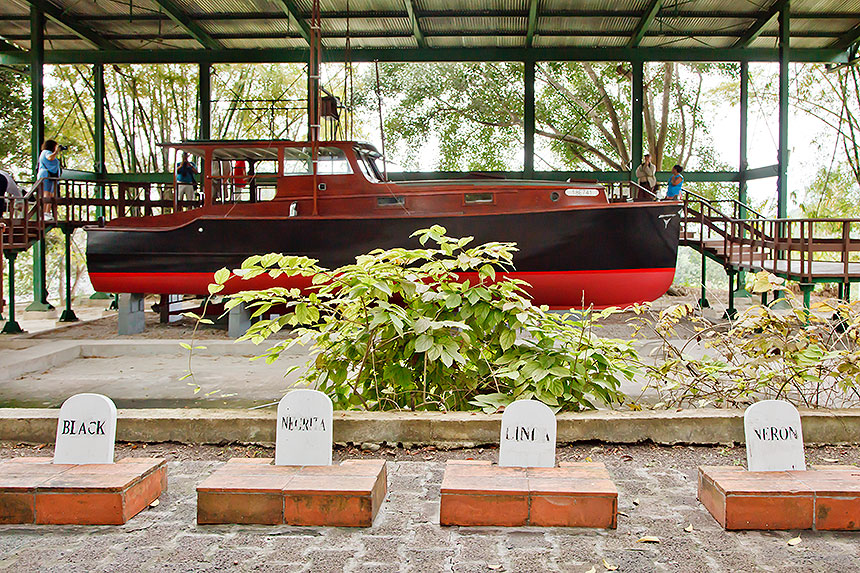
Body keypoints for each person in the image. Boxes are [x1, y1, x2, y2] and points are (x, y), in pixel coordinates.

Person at [37, 139, 63, 220]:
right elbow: (50, 158)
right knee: (47, 194)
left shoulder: (46, 153)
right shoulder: (46, 152)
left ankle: (47, 212)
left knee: (51, 195)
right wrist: (56, 152)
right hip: (46, 176)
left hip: (51, 177)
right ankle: (44, 212)